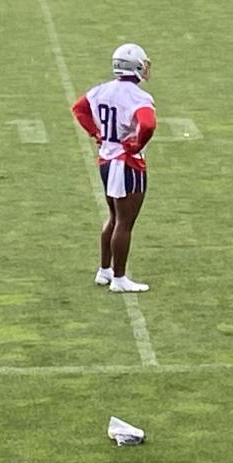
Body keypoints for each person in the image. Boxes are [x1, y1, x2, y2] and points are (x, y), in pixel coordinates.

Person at [71, 44, 157, 293]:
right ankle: (119, 278)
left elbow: (79, 108)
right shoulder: (138, 97)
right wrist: (136, 143)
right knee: (124, 222)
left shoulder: (102, 90)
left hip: (106, 160)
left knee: (113, 217)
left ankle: (104, 270)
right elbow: (148, 124)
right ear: (137, 67)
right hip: (126, 163)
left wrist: (96, 132)